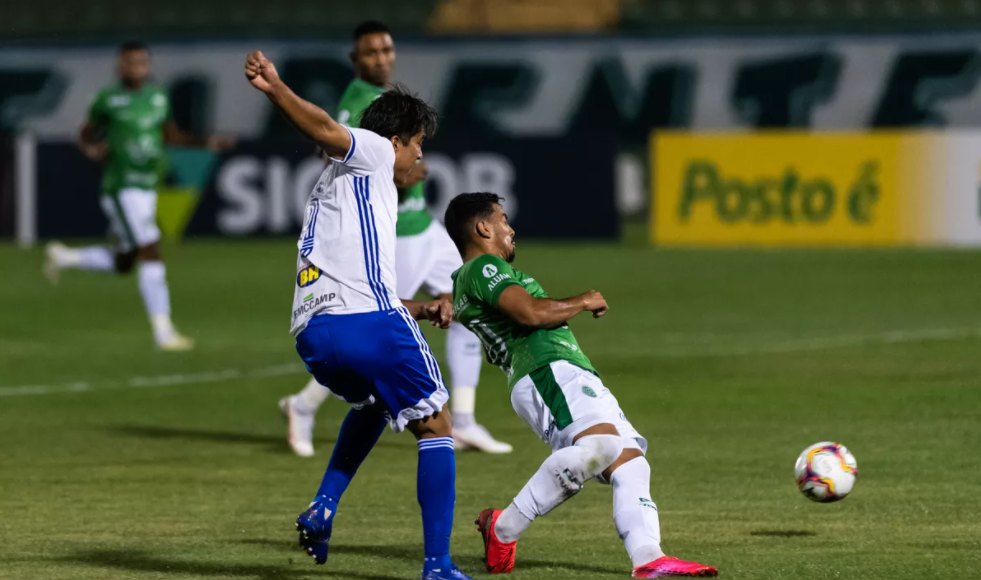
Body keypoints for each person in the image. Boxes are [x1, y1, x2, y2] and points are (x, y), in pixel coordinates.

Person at [244, 50, 475, 580]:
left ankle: (323, 506)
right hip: (363, 322)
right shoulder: (371, 150)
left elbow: (363, 287)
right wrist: (276, 88)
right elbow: (326, 127)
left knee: (375, 403)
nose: (420, 158)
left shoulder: (340, 188)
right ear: (396, 140)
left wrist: (422, 308)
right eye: (417, 145)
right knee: (436, 423)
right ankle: (438, 564)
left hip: (314, 333)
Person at [443, 193, 719, 579]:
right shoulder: (482, 267)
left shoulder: (474, 277)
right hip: (545, 370)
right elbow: (529, 313)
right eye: (503, 219)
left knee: (631, 465)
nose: (511, 228)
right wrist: (583, 300)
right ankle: (504, 527)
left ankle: (648, 559)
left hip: (568, 372)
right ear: (482, 227)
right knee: (602, 446)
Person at [279, 20, 510, 457]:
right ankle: (303, 405)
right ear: (356, 60)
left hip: (423, 225)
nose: (381, 58)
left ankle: (464, 419)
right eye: (371, 52)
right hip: (392, 233)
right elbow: (333, 149)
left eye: (386, 50)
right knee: (372, 326)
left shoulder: (388, 100)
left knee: (466, 303)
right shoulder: (357, 101)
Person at [43, 41, 233, 351]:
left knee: (124, 261)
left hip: (147, 186)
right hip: (121, 187)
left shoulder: (157, 96)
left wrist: (206, 142)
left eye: (142, 62)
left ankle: (64, 257)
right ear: (121, 66)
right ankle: (164, 332)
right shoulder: (108, 100)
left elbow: (169, 135)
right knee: (150, 249)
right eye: (131, 63)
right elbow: (85, 134)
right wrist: (93, 151)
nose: (137, 68)